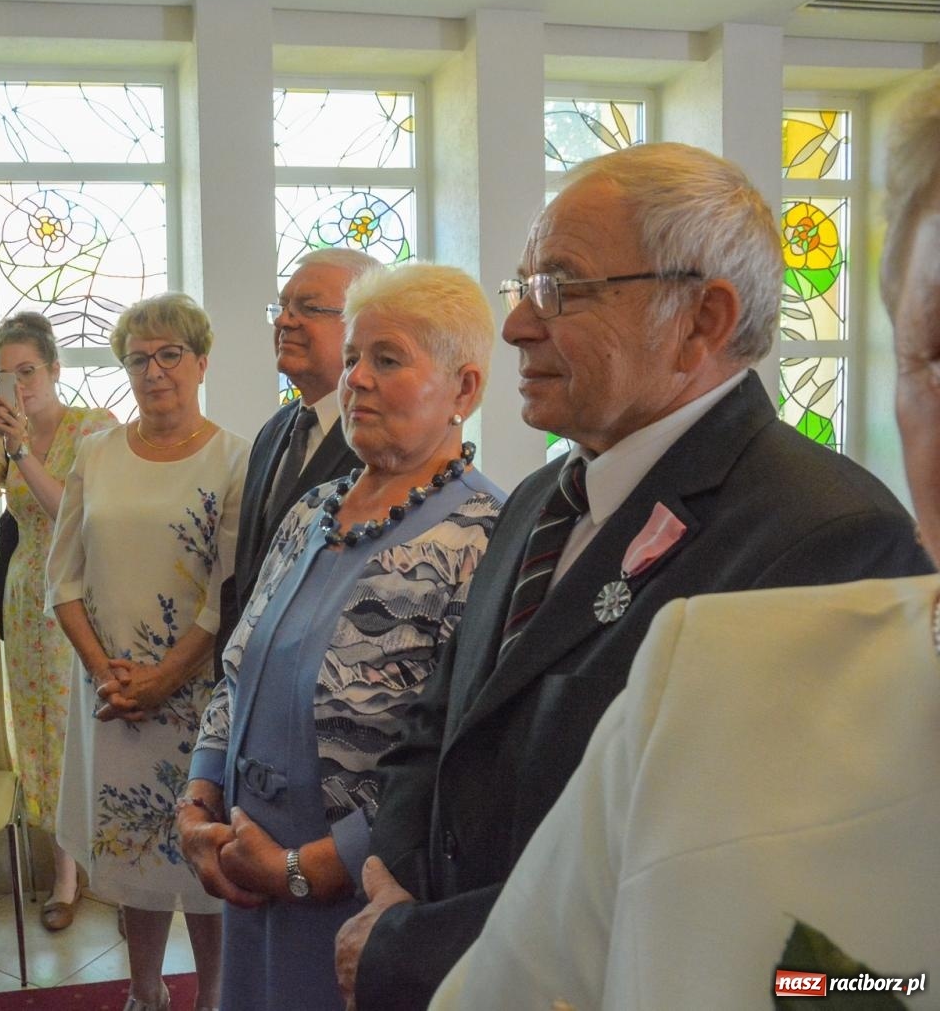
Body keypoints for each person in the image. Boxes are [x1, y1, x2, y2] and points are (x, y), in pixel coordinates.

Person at [337, 141, 931, 1010]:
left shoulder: (827, 539)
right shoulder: (542, 496)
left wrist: (415, 949)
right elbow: (444, 717)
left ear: (701, 320)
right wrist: (396, 882)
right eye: (524, 286)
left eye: (562, 288)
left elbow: (721, 886)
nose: (516, 325)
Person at [180, 264, 505, 1011]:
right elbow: (238, 667)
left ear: (464, 389)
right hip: (245, 869)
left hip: (363, 896)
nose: (356, 378)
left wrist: (313, 867)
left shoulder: (487, 537)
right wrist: (199, 799)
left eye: (387, 359)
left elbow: (467, 763)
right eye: (354, 356)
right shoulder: (312, 512)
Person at [47, 293, 250, 1011]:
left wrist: (165, 677)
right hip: (113, 693)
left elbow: (228, 593)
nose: (154, 371)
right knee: (133, 846)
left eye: (170, 355)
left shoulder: (235, 459)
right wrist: (107, 673)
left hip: (196, 693)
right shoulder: (96, 453)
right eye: (138, 359)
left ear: (201, 362)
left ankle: (213, 997)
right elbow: (61, 580)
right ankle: (144, 991)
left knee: (201, 851)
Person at [0, 311, 117, 929]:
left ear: (55, 370)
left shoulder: (95, 428)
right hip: (24, 599)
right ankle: (64, 876)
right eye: (5, 375)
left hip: (85, 596)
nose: (19, 386)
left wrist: (20, 450)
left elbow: (75, 512)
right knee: (42, 733)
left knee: (95, 730)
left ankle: (119, 875)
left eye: (28, 371)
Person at [215, 248, 374, 673]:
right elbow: (245, 580)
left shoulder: (377, 442)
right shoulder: (276, 430)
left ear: (362, 324)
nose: (285, 321)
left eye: (309, 308)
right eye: (283, 307)